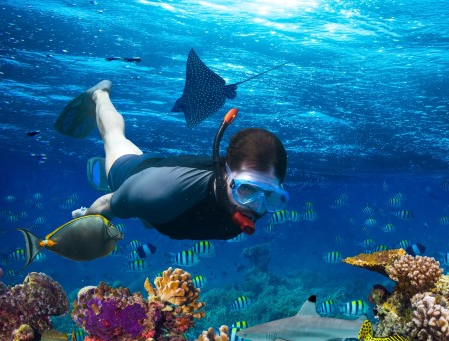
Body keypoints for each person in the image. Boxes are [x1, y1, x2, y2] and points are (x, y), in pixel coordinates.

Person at [55, 80, 289, 240]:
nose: (256, 207)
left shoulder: (253, 203)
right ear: (226, 174)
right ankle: (100, 93)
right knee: (114, 137)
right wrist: (85, 221)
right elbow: (107, 205)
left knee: (148, 214)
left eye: (270, 196)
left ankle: (142, 210)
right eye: (246, 189)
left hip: (165, 205)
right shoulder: (157, 191)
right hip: (138, 175)